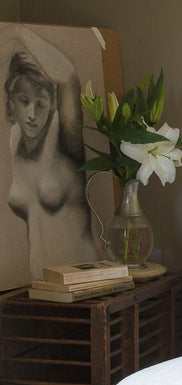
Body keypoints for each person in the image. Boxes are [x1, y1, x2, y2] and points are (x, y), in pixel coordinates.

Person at [4, 25, 98, 280]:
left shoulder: (66, 140)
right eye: (24, 101)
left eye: (41, 103)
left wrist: (18, 31)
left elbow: (67, 76)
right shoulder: (15, 138)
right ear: (11, 99)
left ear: (53, 103)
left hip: (82, 283)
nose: (32, 114)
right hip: (40, 287)